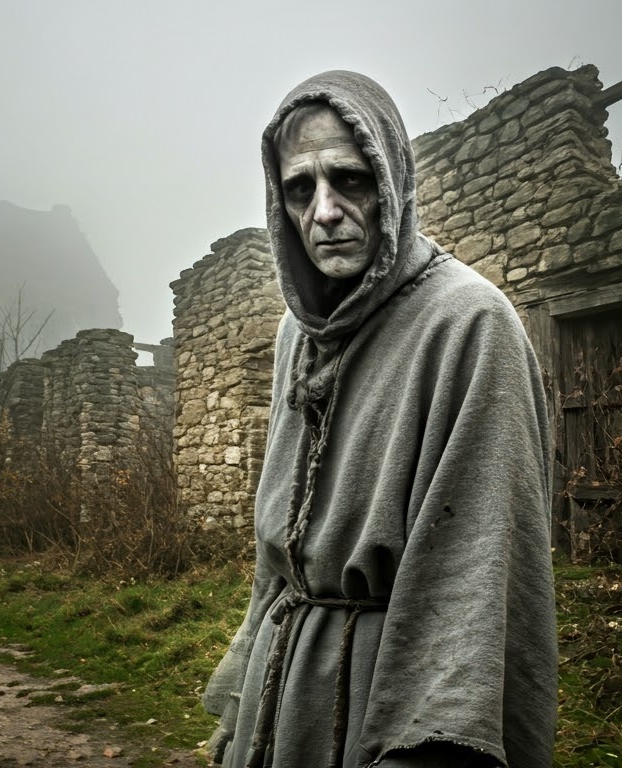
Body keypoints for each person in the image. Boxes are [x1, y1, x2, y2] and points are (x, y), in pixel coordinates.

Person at [201, 70, 557, 768]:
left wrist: (418, 747)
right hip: (286, 694)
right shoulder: (296, 335)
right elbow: (278, 570)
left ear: (392, 181)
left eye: (350, 180)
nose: (325, 211)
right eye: (300, 189)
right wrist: (246, 709)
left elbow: (472, 579)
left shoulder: (468, 325)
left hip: (380, 702)